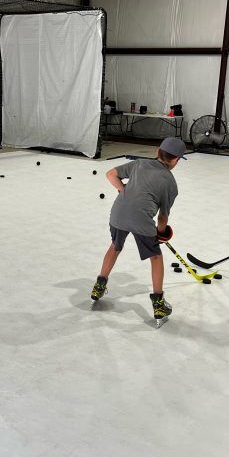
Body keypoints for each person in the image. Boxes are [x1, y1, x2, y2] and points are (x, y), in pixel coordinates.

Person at [90, 137, 187, 324]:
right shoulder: (170, 183)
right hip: (141, 220)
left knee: (115, 247)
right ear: (175, 160)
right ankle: (158, 303)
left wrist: (123, 190)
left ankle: (98, 286)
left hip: (118, 214)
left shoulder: (139, 163)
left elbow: (111, 174)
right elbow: (162, 218)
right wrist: (161, 233)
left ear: (158, 151)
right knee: (156, 257)